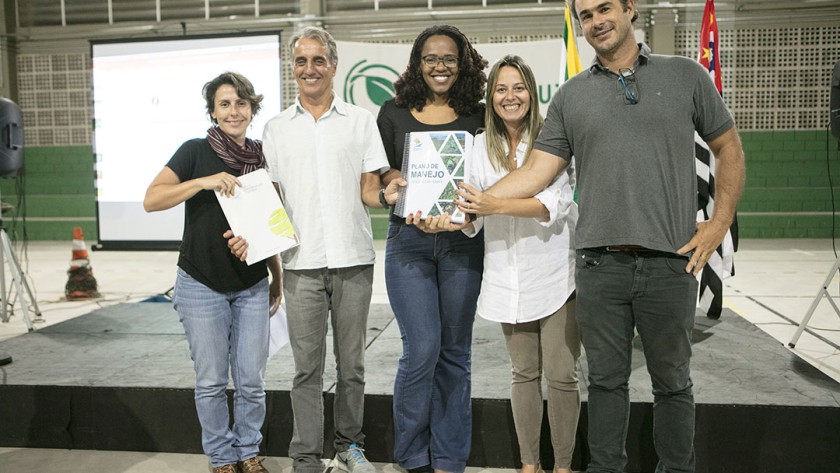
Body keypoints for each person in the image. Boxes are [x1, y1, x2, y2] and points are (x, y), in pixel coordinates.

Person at [469, 1, 746, 472]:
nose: (596, 21)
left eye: (605, 9)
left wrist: (718, 224)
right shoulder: (571, 97)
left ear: (629, 10)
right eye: (586, 15)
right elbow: (537, 170)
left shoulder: (686, 76)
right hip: (600, 268)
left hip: (670, 262)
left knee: (673, 383)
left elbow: (729, 148)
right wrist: (478, 202)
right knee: (605, 384)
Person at [227, 26, 400, 473]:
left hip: (353, 260)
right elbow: (274, 203)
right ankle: (305, 455)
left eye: (318, 60)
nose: (310, 69)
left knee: (352, 366)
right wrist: (265, 255)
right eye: (301, 61)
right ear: (293, 69)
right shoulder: (276, 129)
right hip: (301, 264)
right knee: (306, 369)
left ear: (333, 66)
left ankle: (349, 446)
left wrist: (390, 194)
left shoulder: (360, 121)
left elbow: (369, 188)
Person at [143, 71, 281, 473]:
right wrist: (202, 182)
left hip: (252, 283)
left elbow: (268, 224)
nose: (233, 111)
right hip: (200, 283)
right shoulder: (194, 151)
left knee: (252, 380)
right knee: (211, 381)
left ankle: (249, 453)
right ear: (213, 111)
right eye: (225, 103)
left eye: (241, 103)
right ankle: (222, 458)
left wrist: (276, 276)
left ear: (252, 109)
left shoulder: (261, 156)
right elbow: (152, 200)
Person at [452, 55, 580, 473]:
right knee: (523, 372)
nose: (511, 97)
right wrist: (449, 220)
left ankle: (561, 466)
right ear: (491, 97)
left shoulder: (553, 138)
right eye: (502, 89)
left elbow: (553, 204)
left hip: (554, 270)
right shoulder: (476, 145)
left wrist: (492, 203)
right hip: (506, 272)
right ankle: (530, 465)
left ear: (533, 93)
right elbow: (468, 211)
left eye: (519, 87)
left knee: (561, 374)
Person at [376, 24, 487, 473]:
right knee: (421, 350)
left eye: (448, 59)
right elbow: (379, 172)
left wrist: (471, 215)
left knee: (455, 353)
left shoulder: (480, 116)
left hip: (462, 245)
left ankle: (450, 457)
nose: (439, 67)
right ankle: (412, 454)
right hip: (410, 242)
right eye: (430, 58)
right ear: (417, 65)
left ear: (462, 65)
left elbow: (488, 180)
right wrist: (391, 185)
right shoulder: (393, 112)